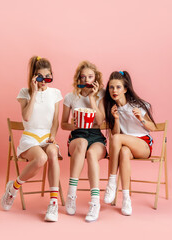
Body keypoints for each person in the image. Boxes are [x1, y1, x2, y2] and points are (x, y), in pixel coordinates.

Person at [1, 56, 63, 222]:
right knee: (41, 158)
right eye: (40, 77)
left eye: (48, 77)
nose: (44, 81)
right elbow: (26, 117)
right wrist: (34, 92)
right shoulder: (24, 93)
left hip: (47, 137)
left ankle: (53, 203)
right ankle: (13, 188)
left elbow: (56, 120)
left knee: (51, 154)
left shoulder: (55, 93)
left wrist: (52, 136)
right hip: (30, 136)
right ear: (34, 77)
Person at [103, 71, 156, 216]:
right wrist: (116, 118)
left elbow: (153, 127)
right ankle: (126, 199)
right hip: (126, 146)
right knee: (124, 152)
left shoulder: (137, 105)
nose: (114, 91)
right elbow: (114, 135)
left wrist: (141, 119)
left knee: (118, 140)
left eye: (118, 87)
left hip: (143, 144)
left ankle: (111, 182)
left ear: (125, 89)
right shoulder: (113, 108)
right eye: (112, 87)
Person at [61, 61, 106, 222]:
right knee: (82, 144)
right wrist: (73, 124)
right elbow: (63, 124)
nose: (86, 79)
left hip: (96, 136)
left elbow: (100, 121)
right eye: (83, 77)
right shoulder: (70, 97)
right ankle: (71, 194)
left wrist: (93, 98)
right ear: (78, 79)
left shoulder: (101, 94)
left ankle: (95, 203)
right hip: (77, 135)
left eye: (90, 76)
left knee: (92, 153)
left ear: (96, 78)